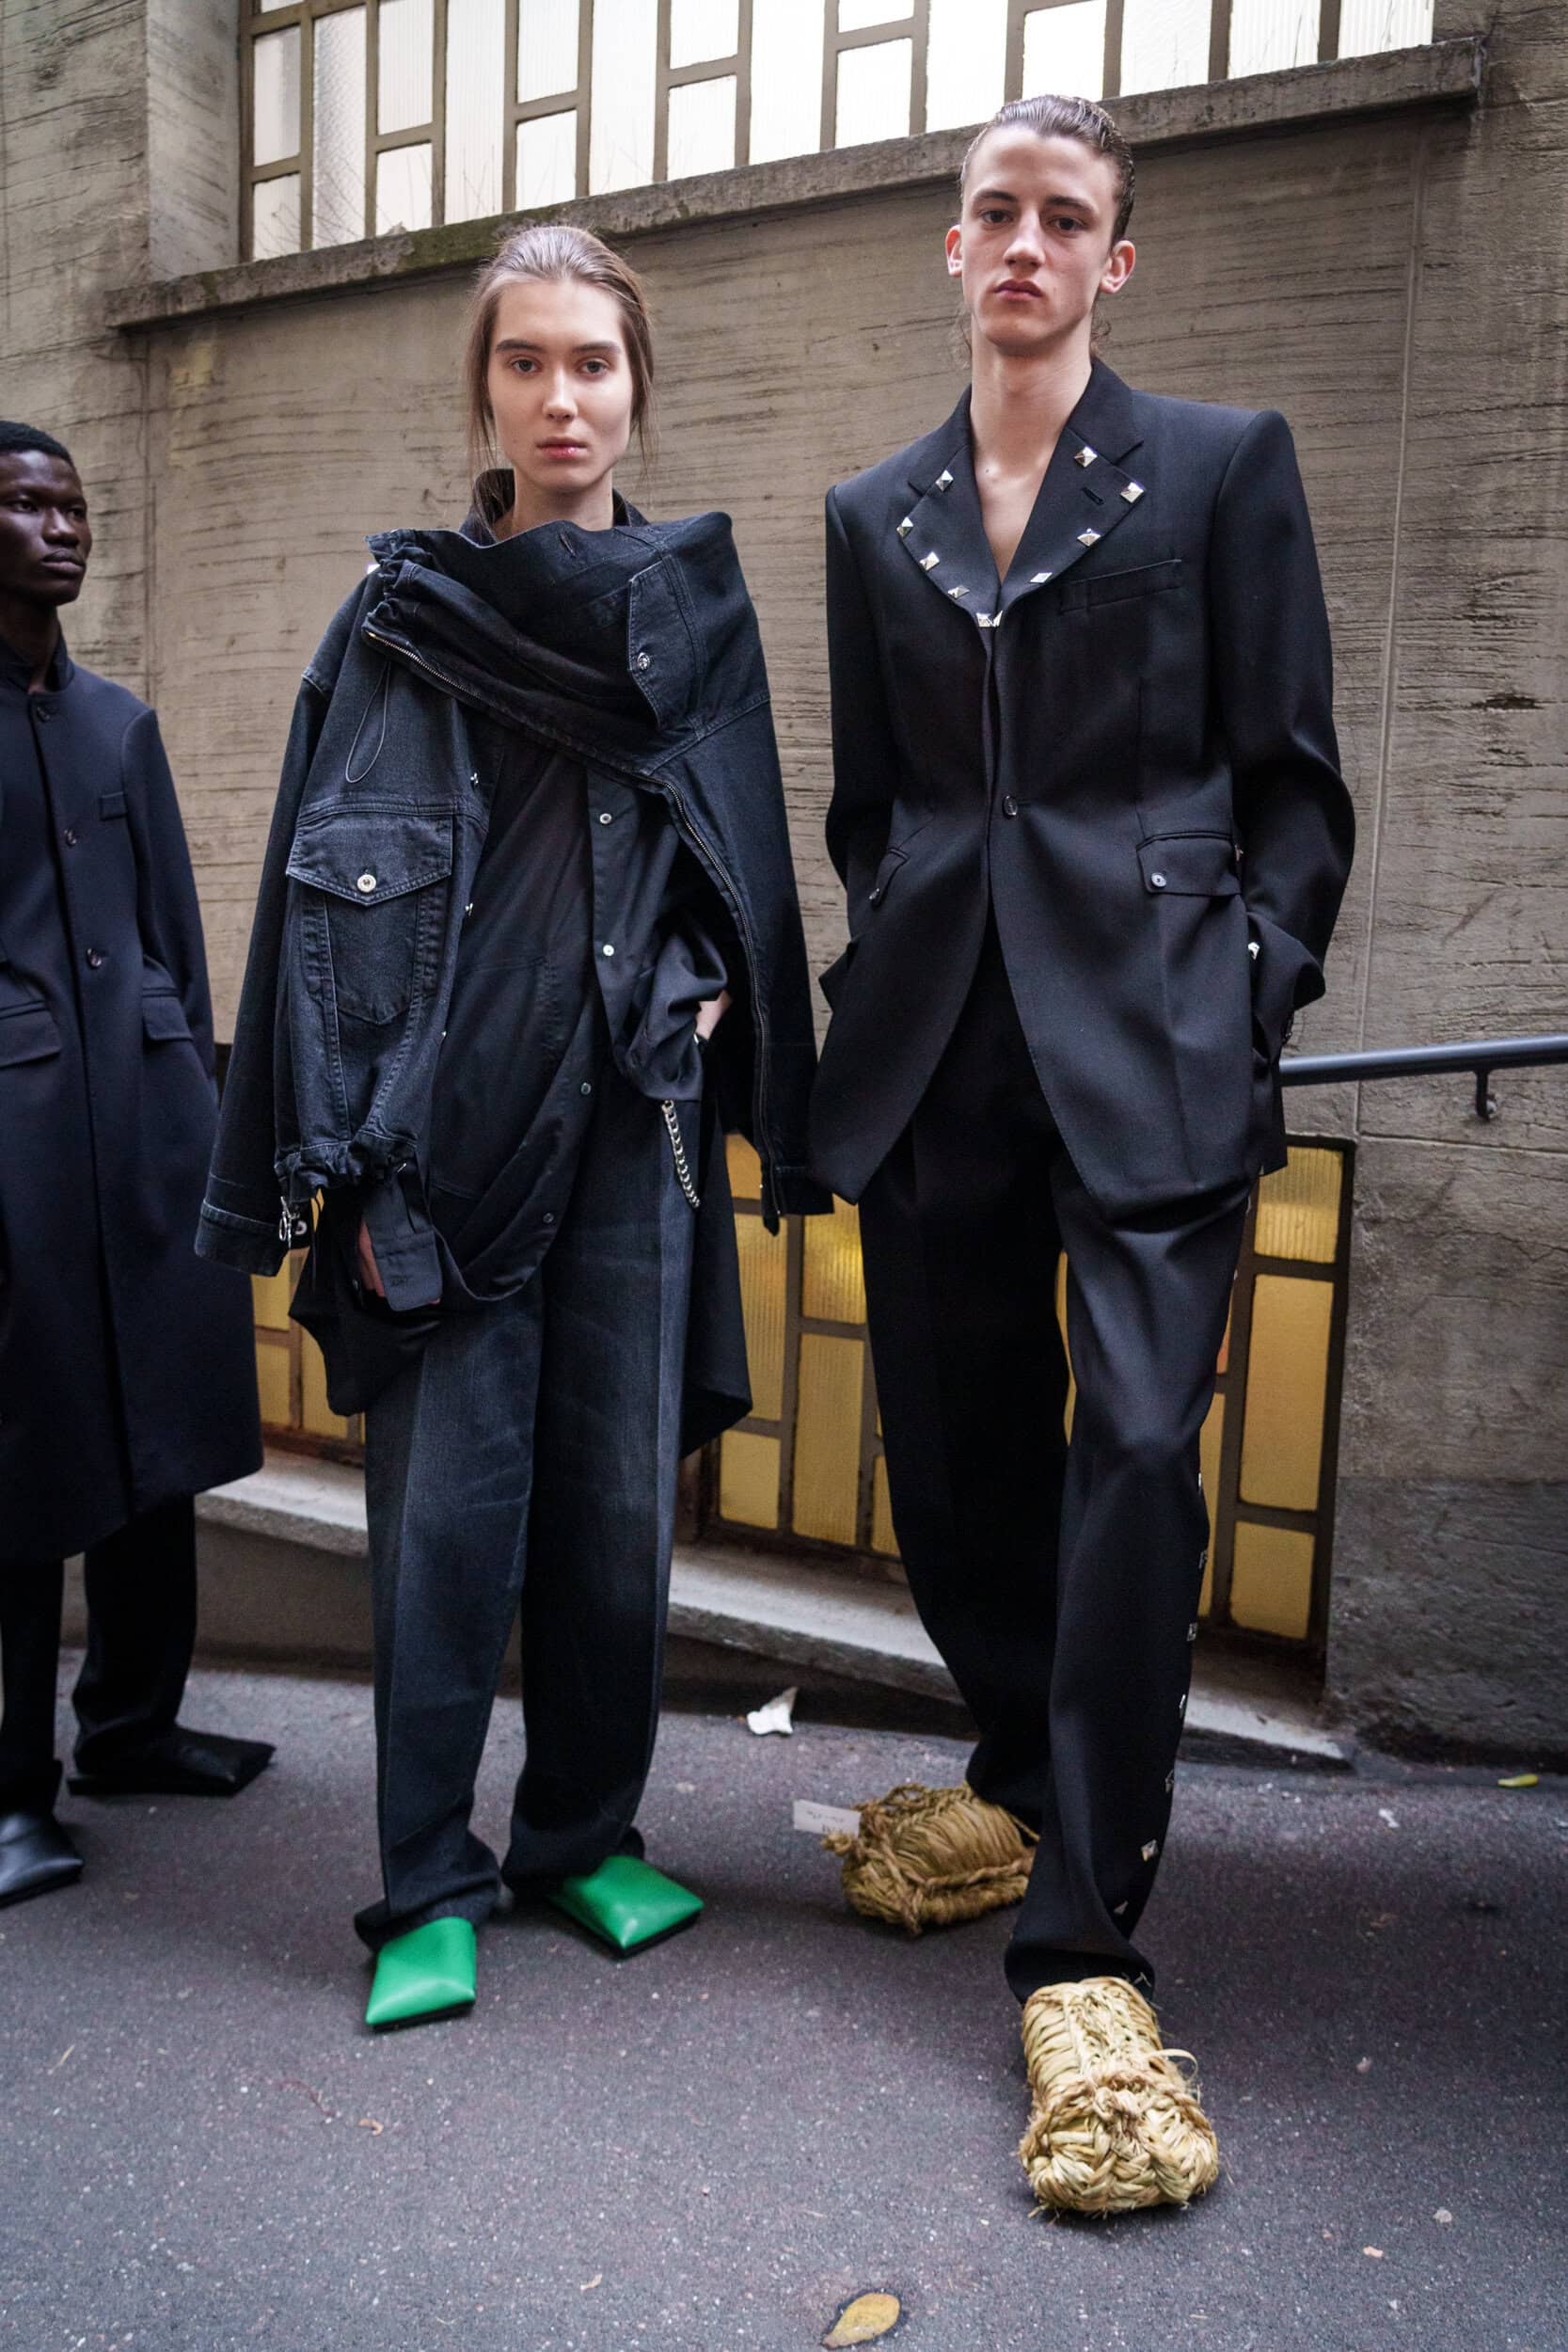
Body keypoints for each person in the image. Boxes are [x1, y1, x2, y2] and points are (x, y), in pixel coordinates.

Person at [810, 96, 1354, 2211]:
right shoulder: (877, 511)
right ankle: (1027, 1760)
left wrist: (1242, 995)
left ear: (1115, 260)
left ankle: (1084, 1934)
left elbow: (1293, 783)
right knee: (951, 1458)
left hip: (1153, 1049)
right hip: (945, 1039)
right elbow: (880, 808)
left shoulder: (1218, 468)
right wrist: (890, 964)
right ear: (952, 250)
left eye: (1066, 219)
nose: (1024, 245)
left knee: (1133, 1452)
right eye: (995, 215)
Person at [198, 225, 823, 2032]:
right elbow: (306, 910)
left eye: (597, 362)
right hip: (442, 1145)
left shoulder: (697, 610)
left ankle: (579, 1836)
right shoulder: (398, 622)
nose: (566, 396)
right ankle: (426, 1882)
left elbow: (745, 863)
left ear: (638, 386)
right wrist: (325, 1165)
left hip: (635, 1134)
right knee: (447, 1528)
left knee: (617, 1517)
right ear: (485, 387)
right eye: (530, 361)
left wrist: (712, 982)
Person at [0, 422, 269, 1913]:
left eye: (74, 506)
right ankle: (9, 1789)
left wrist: (195, 1088)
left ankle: (134, 1727)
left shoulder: (120, 726)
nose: (60, 529)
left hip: (147, 1125)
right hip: (17, 1143)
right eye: (26, 505)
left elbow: (174, 927)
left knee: (155, 1430)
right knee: (26, 1456)